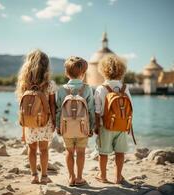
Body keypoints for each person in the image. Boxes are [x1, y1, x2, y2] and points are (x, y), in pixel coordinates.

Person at [16, 49, 56, 184]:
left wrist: (22, 129)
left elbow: (22, 108)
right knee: (44, 149)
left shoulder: (24, 84)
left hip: (29, 122)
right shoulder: (49, 84)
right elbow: (52, 105)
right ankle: (44, 176)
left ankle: (33, 175)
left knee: (31, 149)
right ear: (46, 66)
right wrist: (55, 122)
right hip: (45, 122)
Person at [56, 56, 95, 186]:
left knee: (69, 152)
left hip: (66, 126)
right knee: (81, 152)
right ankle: (79, 178)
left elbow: (58, 110)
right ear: (83, 74)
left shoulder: (62, 89)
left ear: (66, 73)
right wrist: (92, 127)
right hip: (83, 127)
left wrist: (58, 126)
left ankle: (71, 177)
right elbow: (90, 109)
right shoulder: (87, 88)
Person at [94, 54, 132, 184]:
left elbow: (97, 111)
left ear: (103, 70)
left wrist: (96, 126)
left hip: (106, 126)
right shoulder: (125, 88)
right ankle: (118, 177)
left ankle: (103, 176)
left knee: (103, 153)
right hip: (121, 125)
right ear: (122, 71)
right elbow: (131, 108)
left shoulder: (101, 88)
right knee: (120, 152)